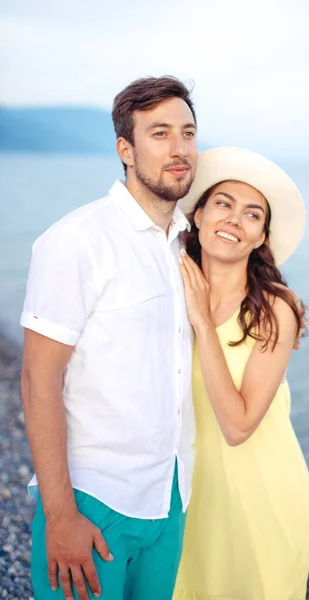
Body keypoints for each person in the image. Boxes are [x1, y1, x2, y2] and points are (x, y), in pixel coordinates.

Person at [20, 76, 199, 600]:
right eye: (159, 133)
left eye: (187, 133)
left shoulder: (187, 242)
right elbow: (38, 376)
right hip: (94, 500)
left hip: (170, 496)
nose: (179, 148)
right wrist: (60, 516)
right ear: (126, 148)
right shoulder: (76, 240)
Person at [173, 147, 309, 600]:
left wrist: (202, 320)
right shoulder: (167, 285)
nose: (235, 220)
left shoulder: (275, 309)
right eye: (223, 204)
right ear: (197, 215)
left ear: (260, 238)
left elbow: (237, 426)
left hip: (262, 504)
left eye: (252, 215)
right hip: (184, 503)